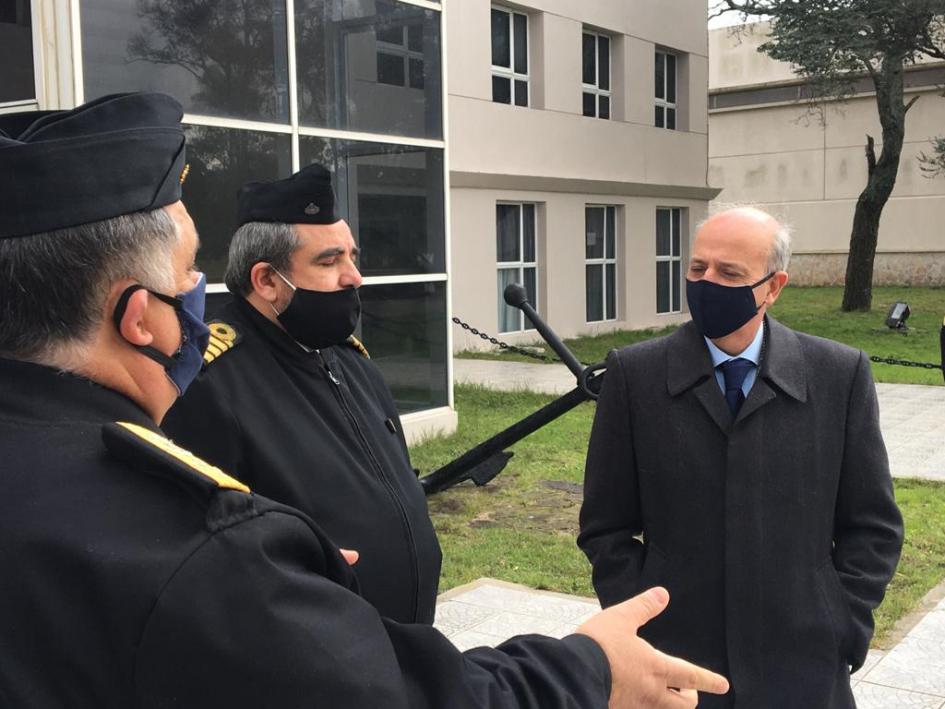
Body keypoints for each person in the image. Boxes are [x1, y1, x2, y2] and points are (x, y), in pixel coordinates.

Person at [0, 92, 729, 709]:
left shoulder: (344, 358)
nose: (354, 277)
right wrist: (584, 669)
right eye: (189, 270)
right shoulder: (190, 498)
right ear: (139, 316)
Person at [578, 206, 904, 709]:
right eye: (697, 269)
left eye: (729, 273)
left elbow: (874, 525)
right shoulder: (634, 374)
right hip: (672, 661)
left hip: (804, 666)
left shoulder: (838, 374)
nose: (707, 283)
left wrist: (843, 619)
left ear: (773, 288)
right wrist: (638, 619)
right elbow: (605, 526)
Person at [161, 165, 440, 624]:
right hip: (312, 653)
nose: (354, 277)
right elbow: (203, 555)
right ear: (267, 280)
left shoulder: (349, 359)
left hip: (401, 641)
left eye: (352, 257)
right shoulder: (212, 382)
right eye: (329, 262)